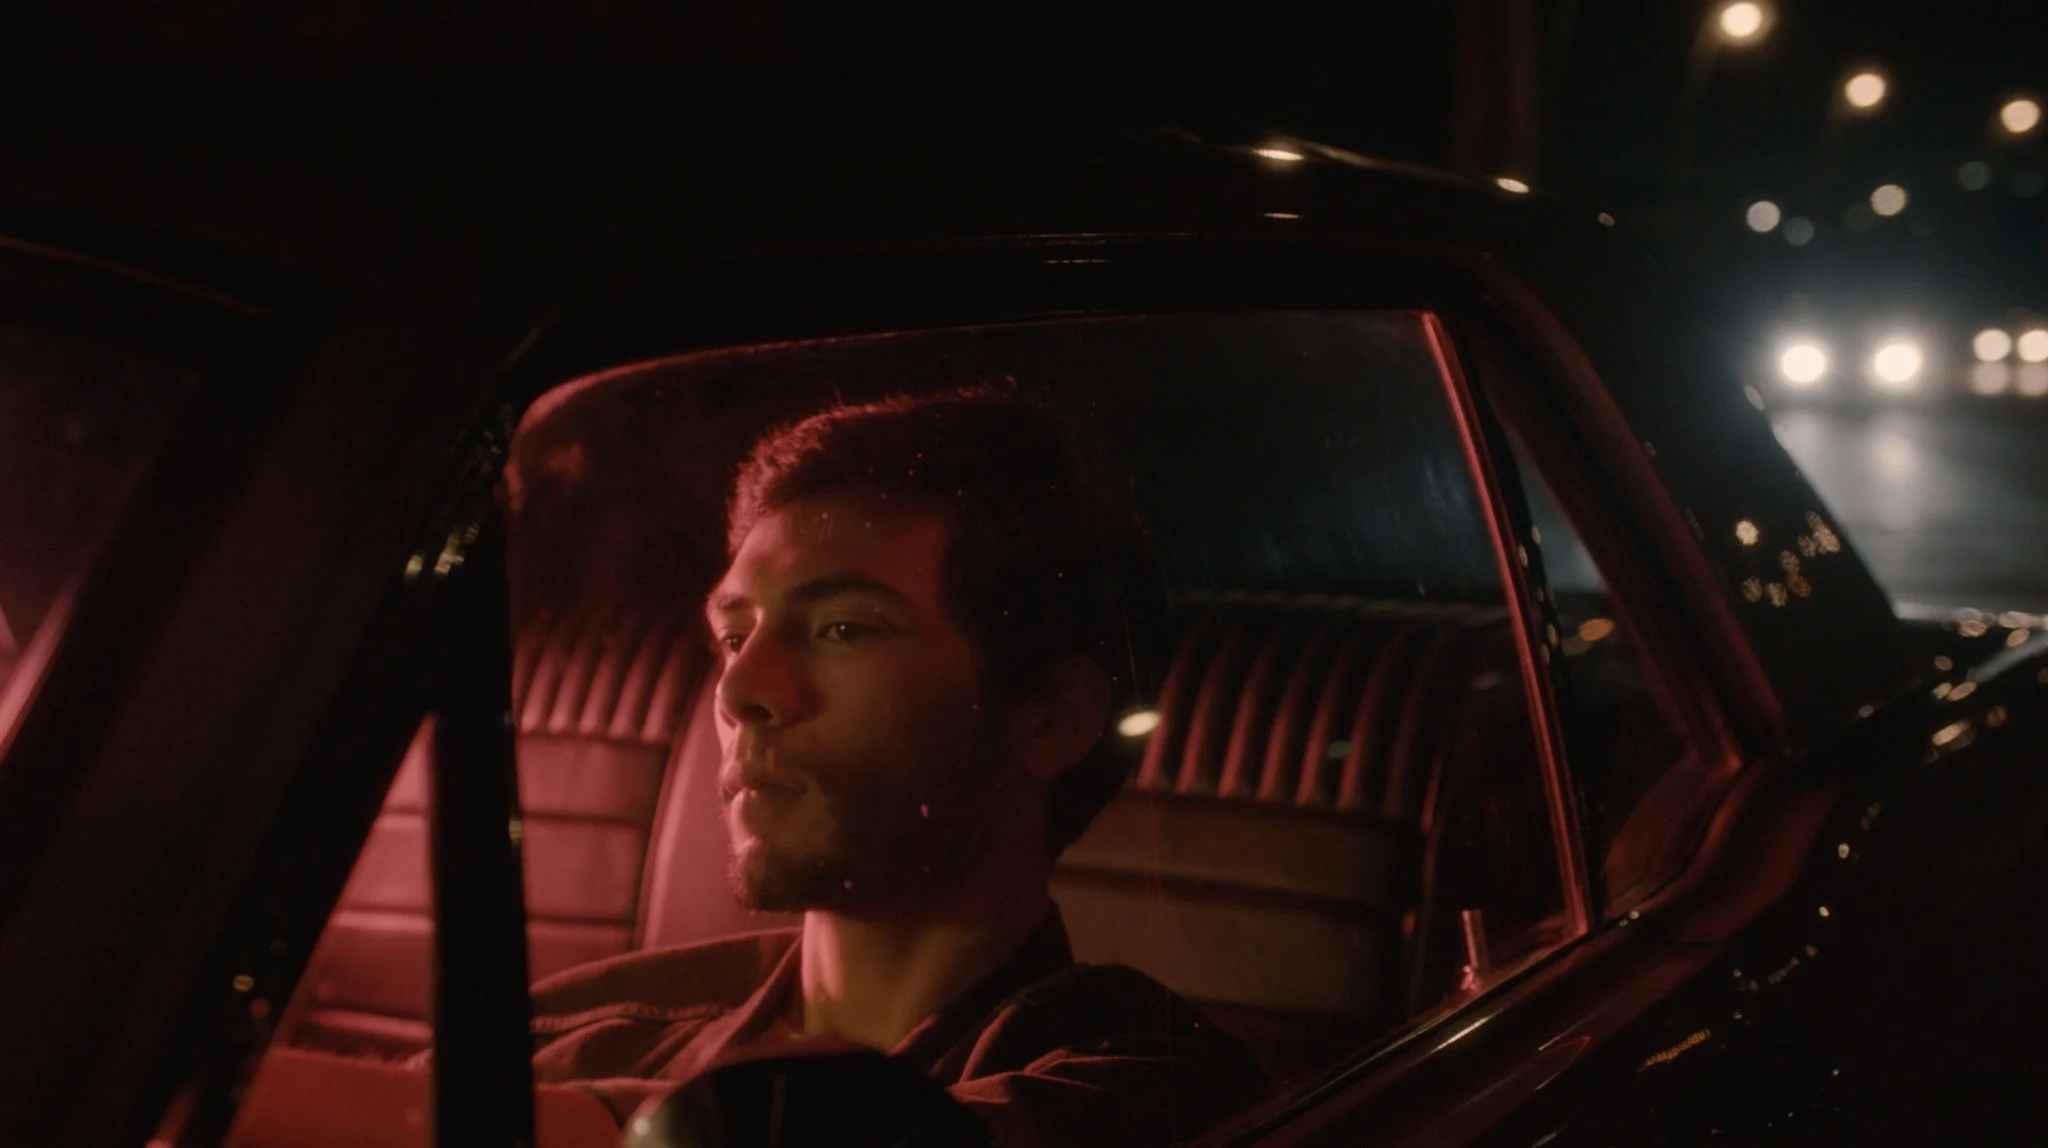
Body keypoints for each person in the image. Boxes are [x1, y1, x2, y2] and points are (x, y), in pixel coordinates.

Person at [525, 388, 1267, 1144]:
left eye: (843, 628)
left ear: (1053, 717)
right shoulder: (591, 1029)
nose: (739, 691)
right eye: (735, 637)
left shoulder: (1158, 1092)